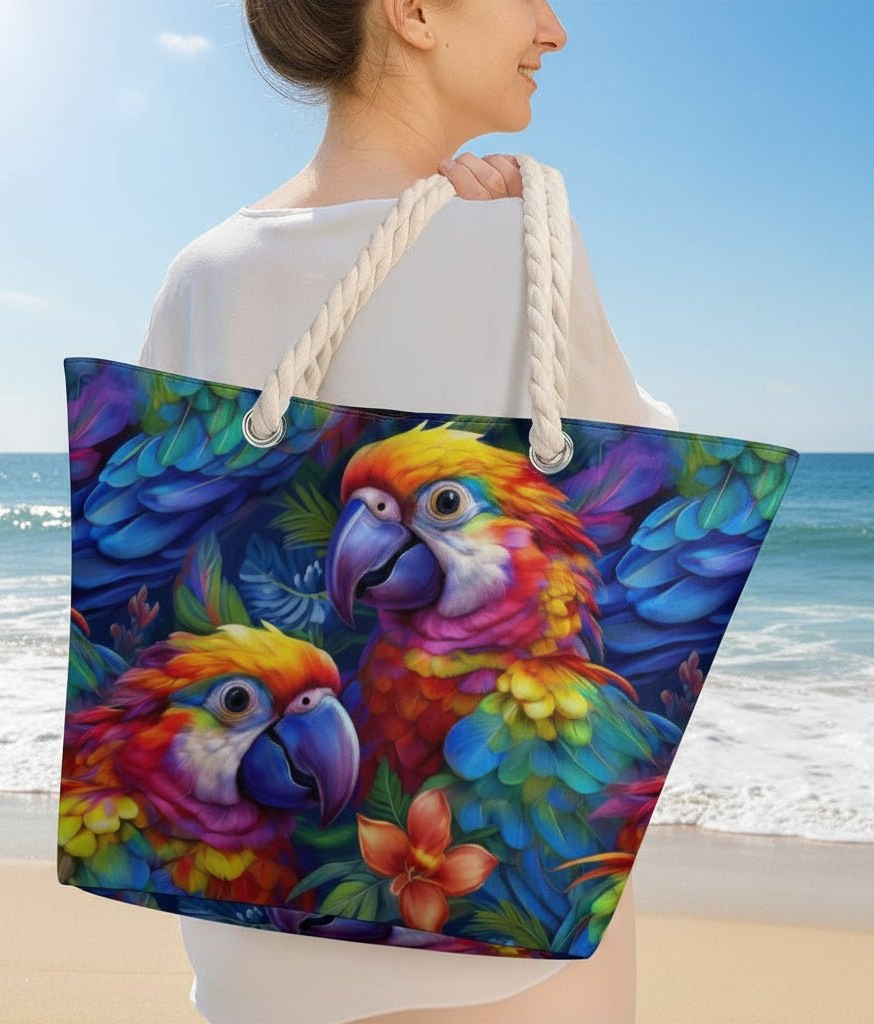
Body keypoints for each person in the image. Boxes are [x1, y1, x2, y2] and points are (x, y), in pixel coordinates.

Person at [137, 2, 679, 1021]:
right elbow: (647, 474)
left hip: (248, 945)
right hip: (510, 968)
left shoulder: (203, 271)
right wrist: (526, 235)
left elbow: (166, 574)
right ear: (416, 12)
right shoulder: (524, 245)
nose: (553, 29)